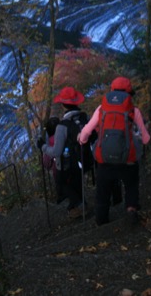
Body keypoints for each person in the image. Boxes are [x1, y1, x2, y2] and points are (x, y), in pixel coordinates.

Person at [78, 76, 150, 226]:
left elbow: (86, 133)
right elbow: (146, 140)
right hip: (127, 159)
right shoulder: (133, 110)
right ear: (129, 92)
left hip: (105, 159)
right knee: (131, 185)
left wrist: (82, 140)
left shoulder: (101, 109)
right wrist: (140, 135)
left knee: (102, 191)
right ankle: (131, 209)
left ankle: (101, 220)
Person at [38, 87, 88, 218]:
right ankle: (78, 208)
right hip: (83, 159)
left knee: (62, 185)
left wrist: (42, 146)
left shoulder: (62, 126)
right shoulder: (83, 118)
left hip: (67, 164)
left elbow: (56, 151)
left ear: (63, 104)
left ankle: (79, 205)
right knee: (77, 184)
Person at [41, 116, 65, 204]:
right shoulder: (65, 136)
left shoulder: (49, 144)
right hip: (72, 167)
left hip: (58, 171)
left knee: (61, 190)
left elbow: (46, 163)